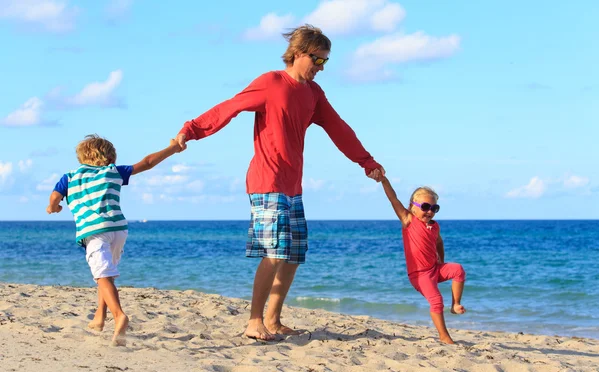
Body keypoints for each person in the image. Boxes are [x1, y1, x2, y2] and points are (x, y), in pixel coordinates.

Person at [175, 24, 385, 341]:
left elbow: (338, 128)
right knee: (274, 251)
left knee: (294, 253)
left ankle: (273, 320)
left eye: (325, 62)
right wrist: (191, 130)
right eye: (317, 59)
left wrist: (365, 161)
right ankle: (254, 320)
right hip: (267, 179)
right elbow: (228, 107)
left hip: (292, 184)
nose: (321, 67)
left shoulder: (313, 94)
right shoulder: (271, 83)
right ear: (298, 53)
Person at [46, 134, 184, 346]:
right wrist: (172, 148)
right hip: (118, 228)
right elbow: (147, 163)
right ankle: (99, 317)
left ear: (82, 157)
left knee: (102, 275)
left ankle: (119, 315)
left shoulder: (70, 177)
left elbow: (55, 197)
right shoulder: (113, 171)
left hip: (94, 231)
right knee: (106, 274)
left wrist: (53, 207)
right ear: (110, 157)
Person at [380, 177, 466, 344]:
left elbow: (439, 242)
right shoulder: (408, 220)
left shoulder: (435, 226)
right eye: (426, 207)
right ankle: (444, 336)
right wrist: (384, 180)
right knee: (436, 300)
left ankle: (455, 305)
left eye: (434, 208)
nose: (430, 211)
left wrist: (442, 260)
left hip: (435, 269)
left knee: (458, 269)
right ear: (413, 206)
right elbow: (393, 198)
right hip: (419, 275)